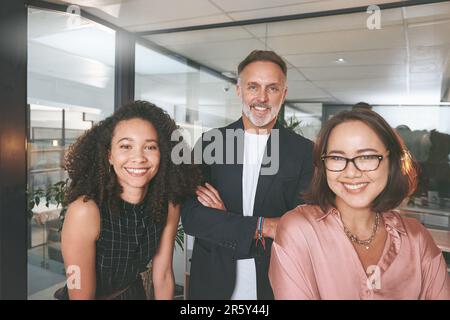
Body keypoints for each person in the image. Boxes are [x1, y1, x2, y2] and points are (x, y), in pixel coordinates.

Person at [269, 107, 450, 299]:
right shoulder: (299, 230)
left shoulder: (417, 238)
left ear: (392, 161)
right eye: (337, 157)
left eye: (366, 156)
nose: (352, 172)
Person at [181, 50, 313, 299]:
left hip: (274, 283)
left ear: (283, 94)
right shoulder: (211, 142)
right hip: (213, 280)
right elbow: (192, 217)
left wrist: (225, 219)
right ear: (239, 90)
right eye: (253, 87)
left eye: (272, 88)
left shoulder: (304, 152)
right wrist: (264, 225)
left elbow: (302, 227)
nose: (262, 98)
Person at [59, 101, 200, 299]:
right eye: (126, 146)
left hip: (132, 293)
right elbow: (80, 295)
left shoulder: (167, 204)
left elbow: (164, 276)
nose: (138, 157)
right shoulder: (85, 211)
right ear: (109, 155)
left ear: (164, 154)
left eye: (150, 147)